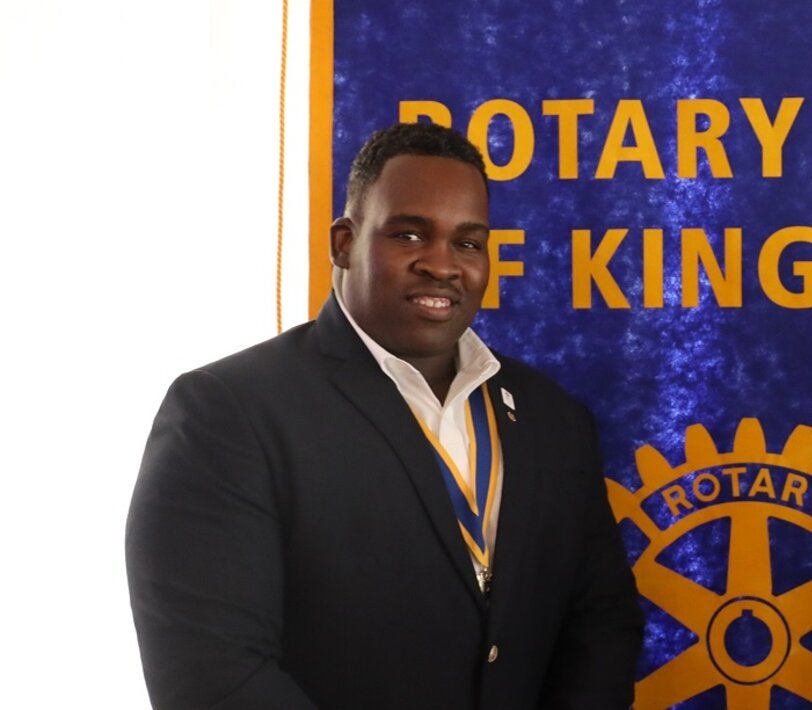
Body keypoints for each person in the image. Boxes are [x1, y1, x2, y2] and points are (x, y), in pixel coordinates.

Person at [126, 122, 644, 709]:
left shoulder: (555, 420)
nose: (442, 265)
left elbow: (602, 623)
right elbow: (215, 676)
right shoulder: (228, 413)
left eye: (468, 243)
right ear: (344, 243)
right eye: (410, 235)